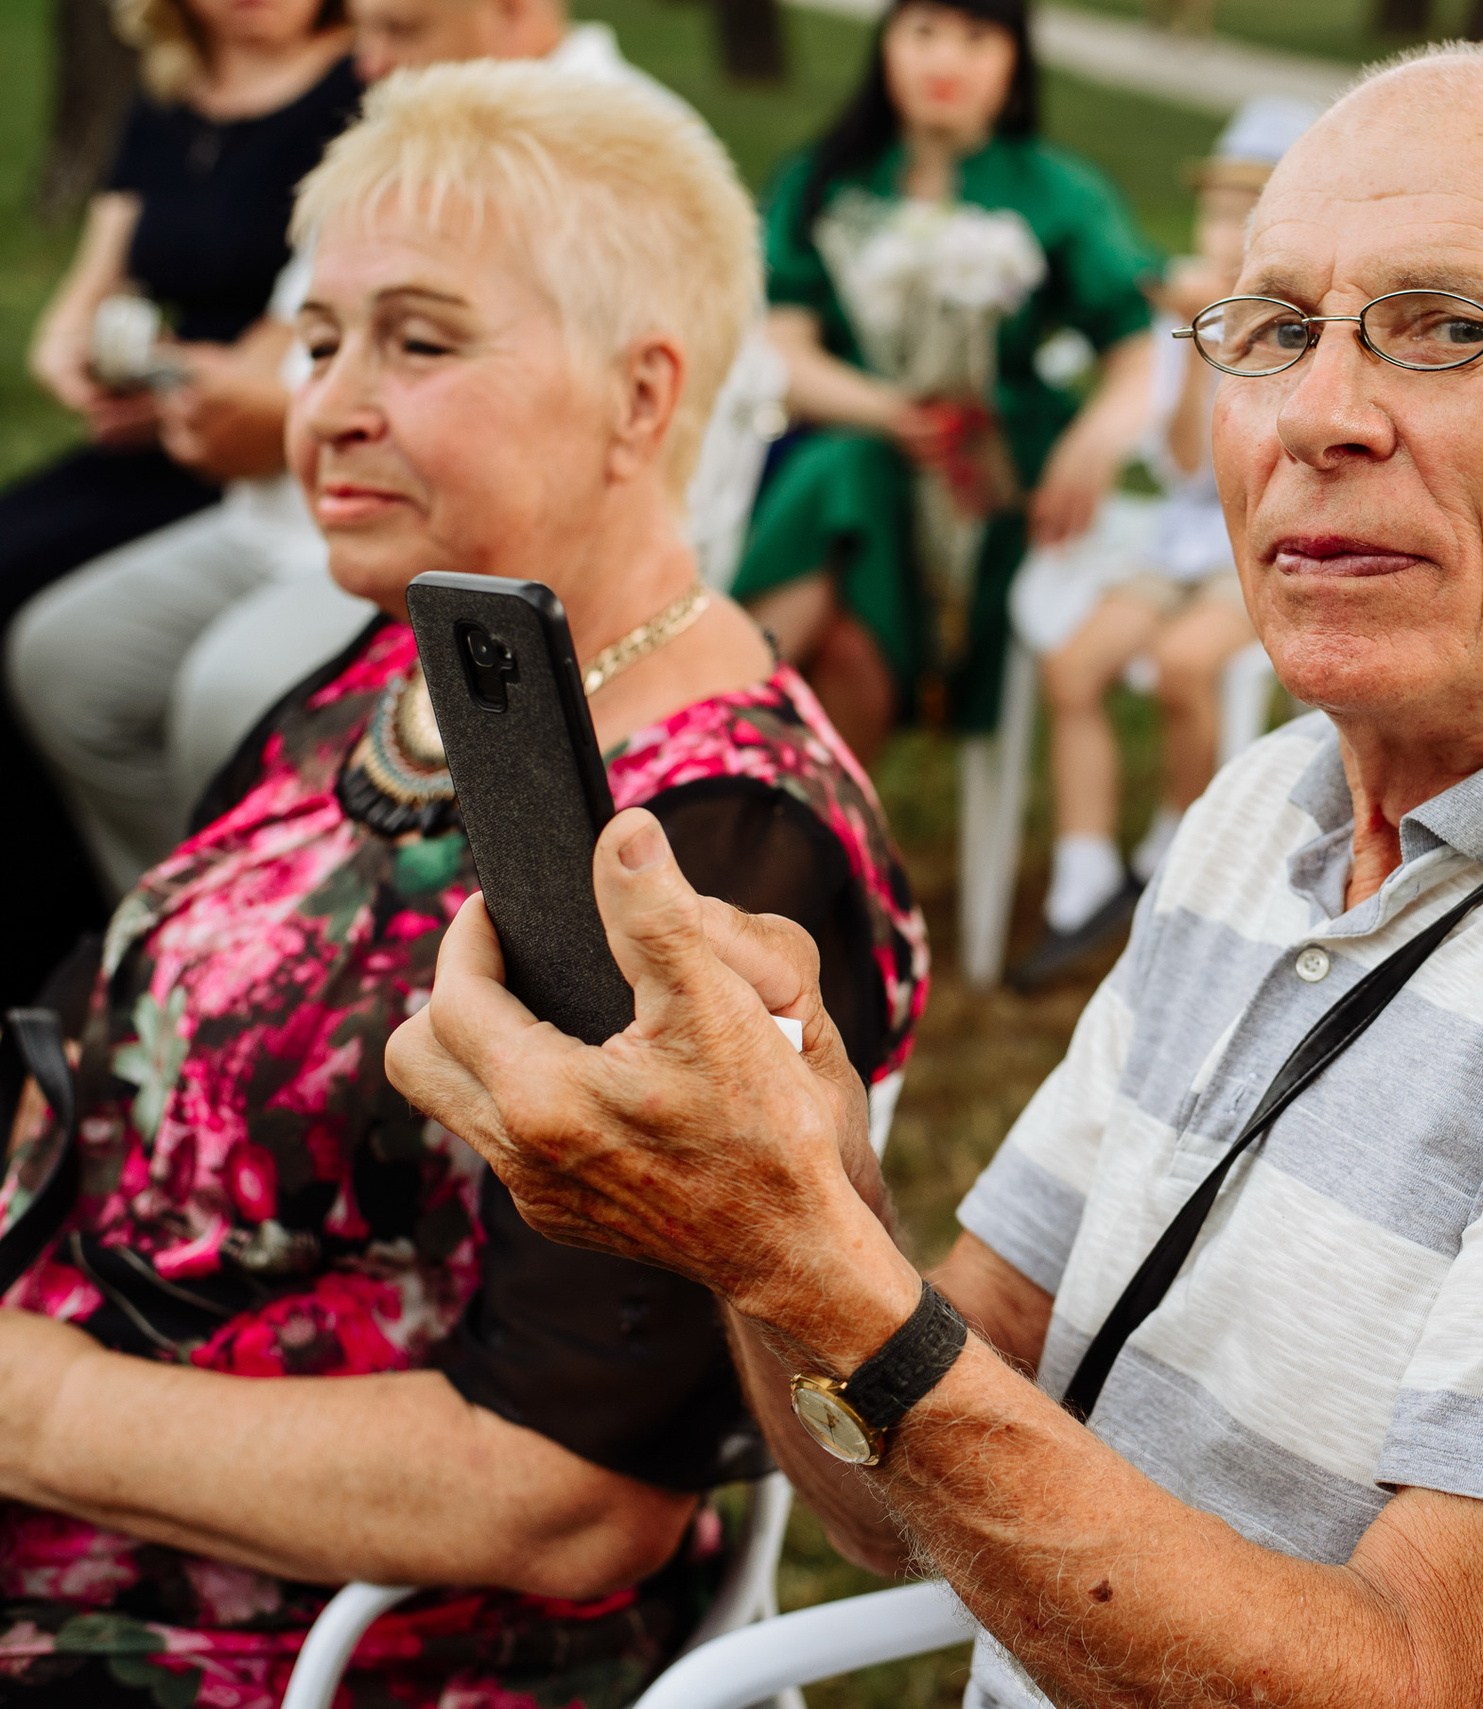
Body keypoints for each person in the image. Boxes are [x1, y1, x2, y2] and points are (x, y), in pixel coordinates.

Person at [393, 43, 1483, 1708]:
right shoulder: (1275, 810)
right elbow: (891, 1484)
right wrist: (797, 1186)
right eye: (1269, 333)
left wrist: (801, 1255)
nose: (1320, 415)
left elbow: (1422, 1683)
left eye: (1451, 326)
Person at [0, 63, 925, 1708]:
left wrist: (43, 1411)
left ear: (645, 398)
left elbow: (567, 1492)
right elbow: (118, 1008)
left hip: (303, 1633)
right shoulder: (425, 666)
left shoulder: (699, 834)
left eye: (419, 341)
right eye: (318, 340)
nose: (332, 403)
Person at [8, 0, 787, 902]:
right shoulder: (400, 141)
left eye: (401, 31)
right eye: (361, 29)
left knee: (232, 689)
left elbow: (680, 474)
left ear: (513, 12)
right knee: (64, 654)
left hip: (474, 564)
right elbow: (290, 354)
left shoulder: (620, 163)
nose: (366, 62)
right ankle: (196, 914)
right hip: (287, 519)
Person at [0, 0, 358, 1013]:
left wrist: (190, 388)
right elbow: (88, 287)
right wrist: (73, 361)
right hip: (150, 426)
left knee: (37, 599)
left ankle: (161, 935)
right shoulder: (164, 99)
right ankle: (72, 929)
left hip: (245, 435)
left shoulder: (356, 87)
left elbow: (301, 332)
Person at [734, 0, 1160, 760]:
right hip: (863, 453)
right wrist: (890, 411)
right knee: (845, 630)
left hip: (992, 481)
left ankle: (721, 703)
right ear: (887, 44)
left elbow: (1138, 347)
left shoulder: (1056, 191)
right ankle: (817, 833)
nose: (945, 61)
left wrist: (1094, 441)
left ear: (1013, 61)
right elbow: (783, 348)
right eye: (923, 32)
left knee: (841, 474)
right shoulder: (828, 179)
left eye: (976, 37)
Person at [1006, 96, 1318, 991]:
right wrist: (1200, 342)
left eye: (1248, 214)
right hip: (1187, 534)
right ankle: (1085, 870)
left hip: (1261, 538)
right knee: (1075, 667)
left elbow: (1256, 469)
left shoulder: (1304, 335)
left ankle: (1182, 845)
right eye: (1218, 210)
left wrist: (1245, 334)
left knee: (1185, 665)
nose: (1225, 230)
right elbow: (1188, 462)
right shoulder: (1193, 319)